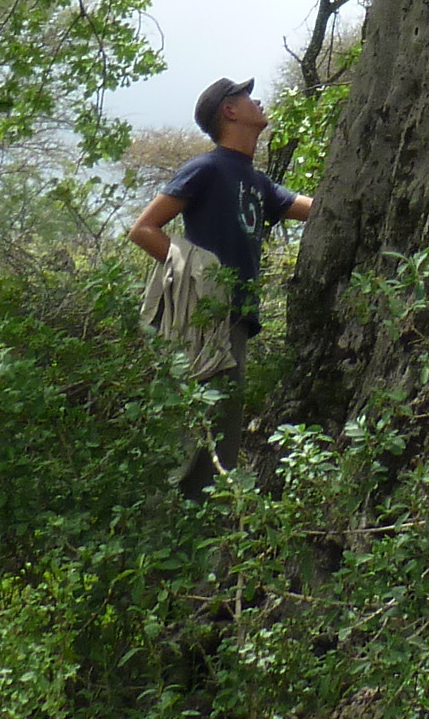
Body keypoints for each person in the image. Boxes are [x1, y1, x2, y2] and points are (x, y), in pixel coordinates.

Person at [126, 76, 314, 488]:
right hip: (205, 321)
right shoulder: (206, 168)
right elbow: (144, 229)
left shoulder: (257, 182)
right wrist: (197, 276)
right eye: (247, 96)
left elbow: (316, 209)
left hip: (236, 322)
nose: (258, 101)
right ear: (229, 110)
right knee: (197, 434)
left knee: (222, 433)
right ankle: (186, 529)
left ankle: (206, 526)